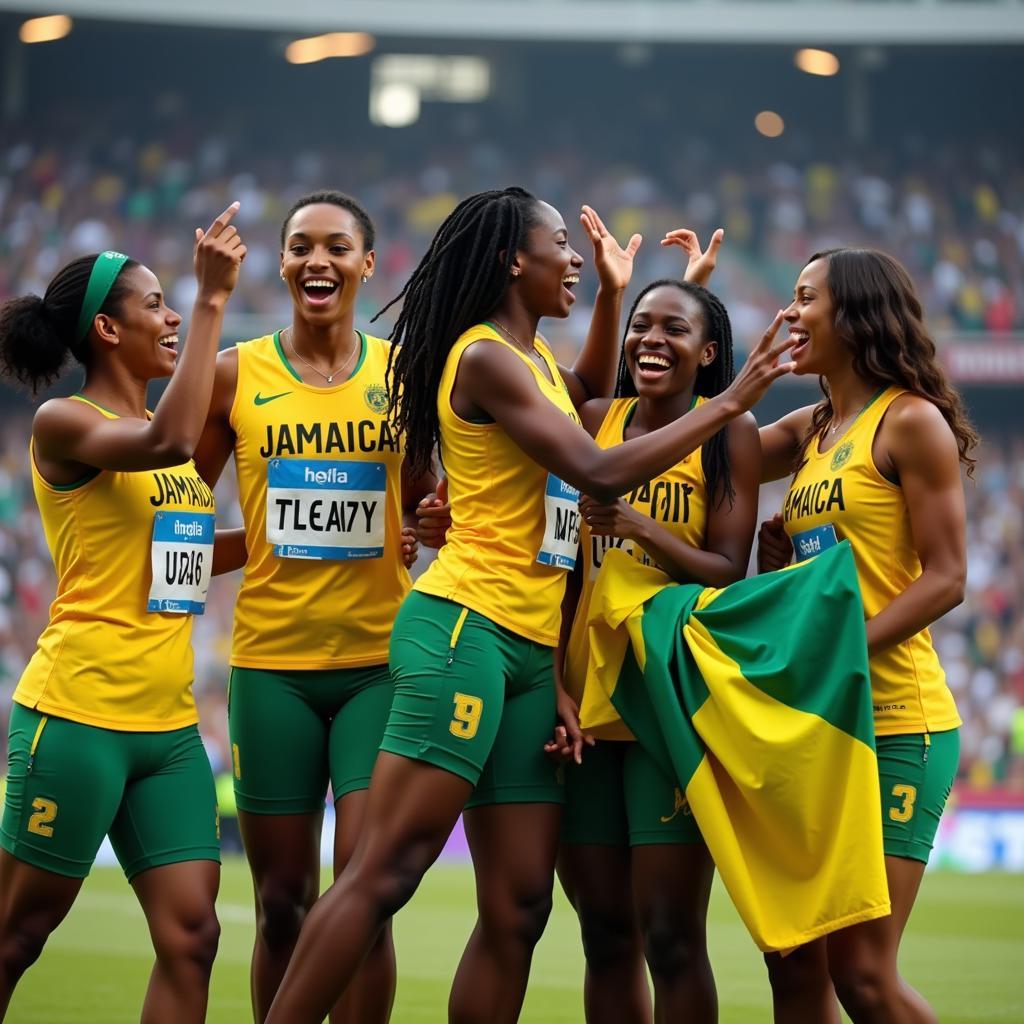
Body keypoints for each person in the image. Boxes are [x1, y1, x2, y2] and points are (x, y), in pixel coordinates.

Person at [264, 185, 793, 1024]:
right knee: (385, 871)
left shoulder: (539, 364)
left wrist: (624, 296)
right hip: (463, 630)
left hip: (527, 655)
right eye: (561, 244)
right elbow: (601, 469)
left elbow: (596, 393)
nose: (575, 257)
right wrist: (730, 400)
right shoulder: (484, 358)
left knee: (520, 908)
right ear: (516, 260)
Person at [192, 190, 435, 1024]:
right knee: (282, 903)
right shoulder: (235, 372)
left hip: (378, 666)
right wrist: (251, 544)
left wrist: (426, 520)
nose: (316, 261)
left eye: (337, 247)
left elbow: (429, 499)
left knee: (364, 897)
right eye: (300, 246)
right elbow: (179, 508)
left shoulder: (406, 376)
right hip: (271, 671)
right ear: (282, 261)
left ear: (368, 264)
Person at [0, 205, 247, 1022]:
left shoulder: (151, 431)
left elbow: (178, 560)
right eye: (156, 305)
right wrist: (212, 300)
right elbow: (175, 444)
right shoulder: (67, 424)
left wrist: (294, 537)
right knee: (17, 935)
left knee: (193, 938)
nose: (173, 315)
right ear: (106, 328)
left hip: (169, 731)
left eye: (177, 304)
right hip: (78, 713)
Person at [757, 248, 976, 1024]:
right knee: (793, 961)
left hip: (895, 723)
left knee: (861, 972)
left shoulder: (908, 421)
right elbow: (712, 463)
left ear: (854, 315)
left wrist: (843, 652)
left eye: (805, 297)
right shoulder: (813, 427)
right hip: (824, 726)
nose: (789, 312)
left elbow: (947, 578)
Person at [552, 273, 760, 1024]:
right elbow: (557, 574)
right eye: (642, 325)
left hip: (666, 699)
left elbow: (729, 572)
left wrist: (644, 529)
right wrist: (555, 685)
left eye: (675, 329)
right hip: (581, 699)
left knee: (671, 937)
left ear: (708, 352)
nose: (651, 340)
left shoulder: (727, 430)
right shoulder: (593, 421)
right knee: (604, 934)